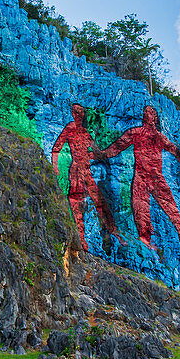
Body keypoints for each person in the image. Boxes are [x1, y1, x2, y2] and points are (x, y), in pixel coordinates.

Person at [94, 106, 180, 271]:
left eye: (150, 114)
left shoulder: (160, 137)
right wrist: (100, 154)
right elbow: (115, 148)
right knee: (141, 215)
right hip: (140, 179)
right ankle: (146, 245)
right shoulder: (135, 133)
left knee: (176, 217)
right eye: (145, 114)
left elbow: (175, 151)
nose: (147, 116)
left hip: (157, 179)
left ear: (155, 119)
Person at [51, 104, 123, 251]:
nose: (79, 114)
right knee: (77, 202)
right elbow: (56, 148)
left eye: (81, 112)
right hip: (76, 171)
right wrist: (55, 167)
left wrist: (100, 153)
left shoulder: (85, 133)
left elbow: (97, 151)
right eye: (76, 112)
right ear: (72, 113)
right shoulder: (70, 128)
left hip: (87, 171)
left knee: (99, 200)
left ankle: (112, 229)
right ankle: (81, 238)